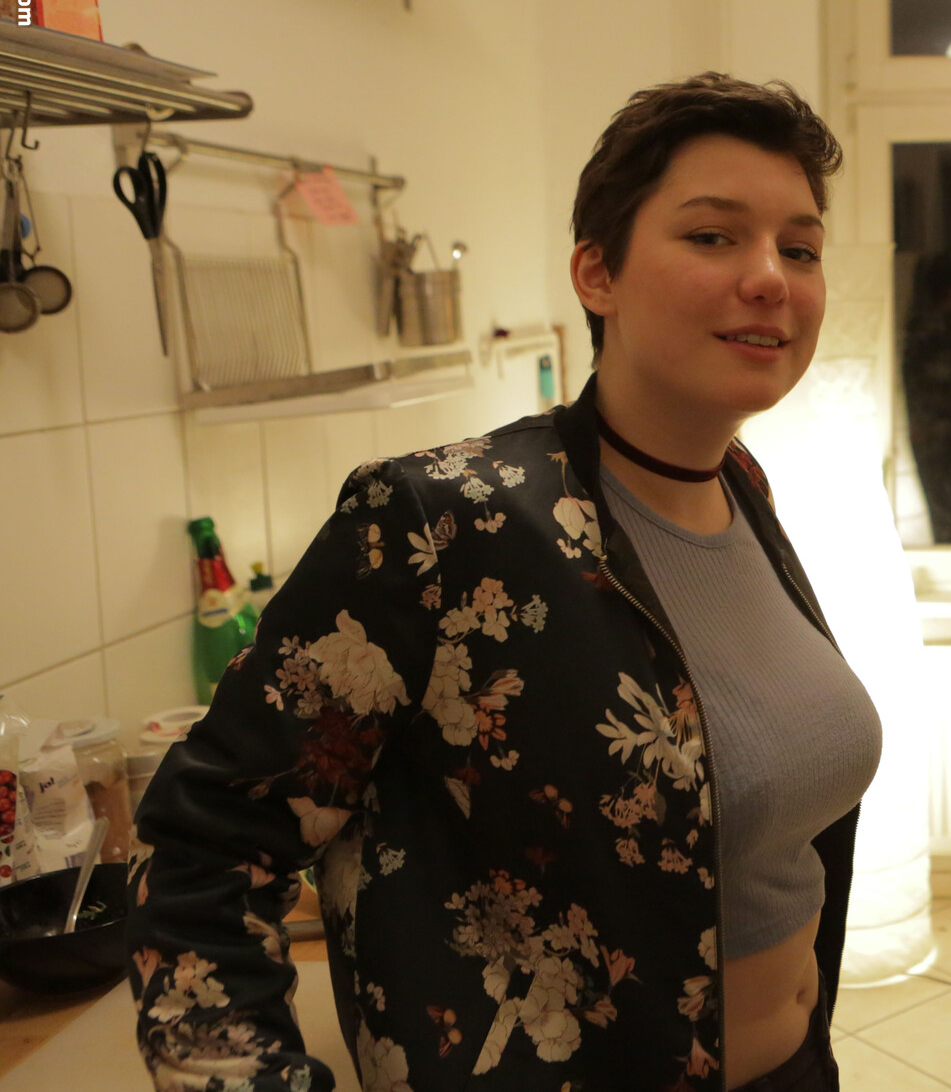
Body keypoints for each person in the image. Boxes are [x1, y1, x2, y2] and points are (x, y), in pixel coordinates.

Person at [128, 73, 881, 1092]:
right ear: (597, 273)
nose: (770, 278)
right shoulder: (443, 522)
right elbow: (205, 851)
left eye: (800, 248)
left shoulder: (741, 488)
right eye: (713, 236)